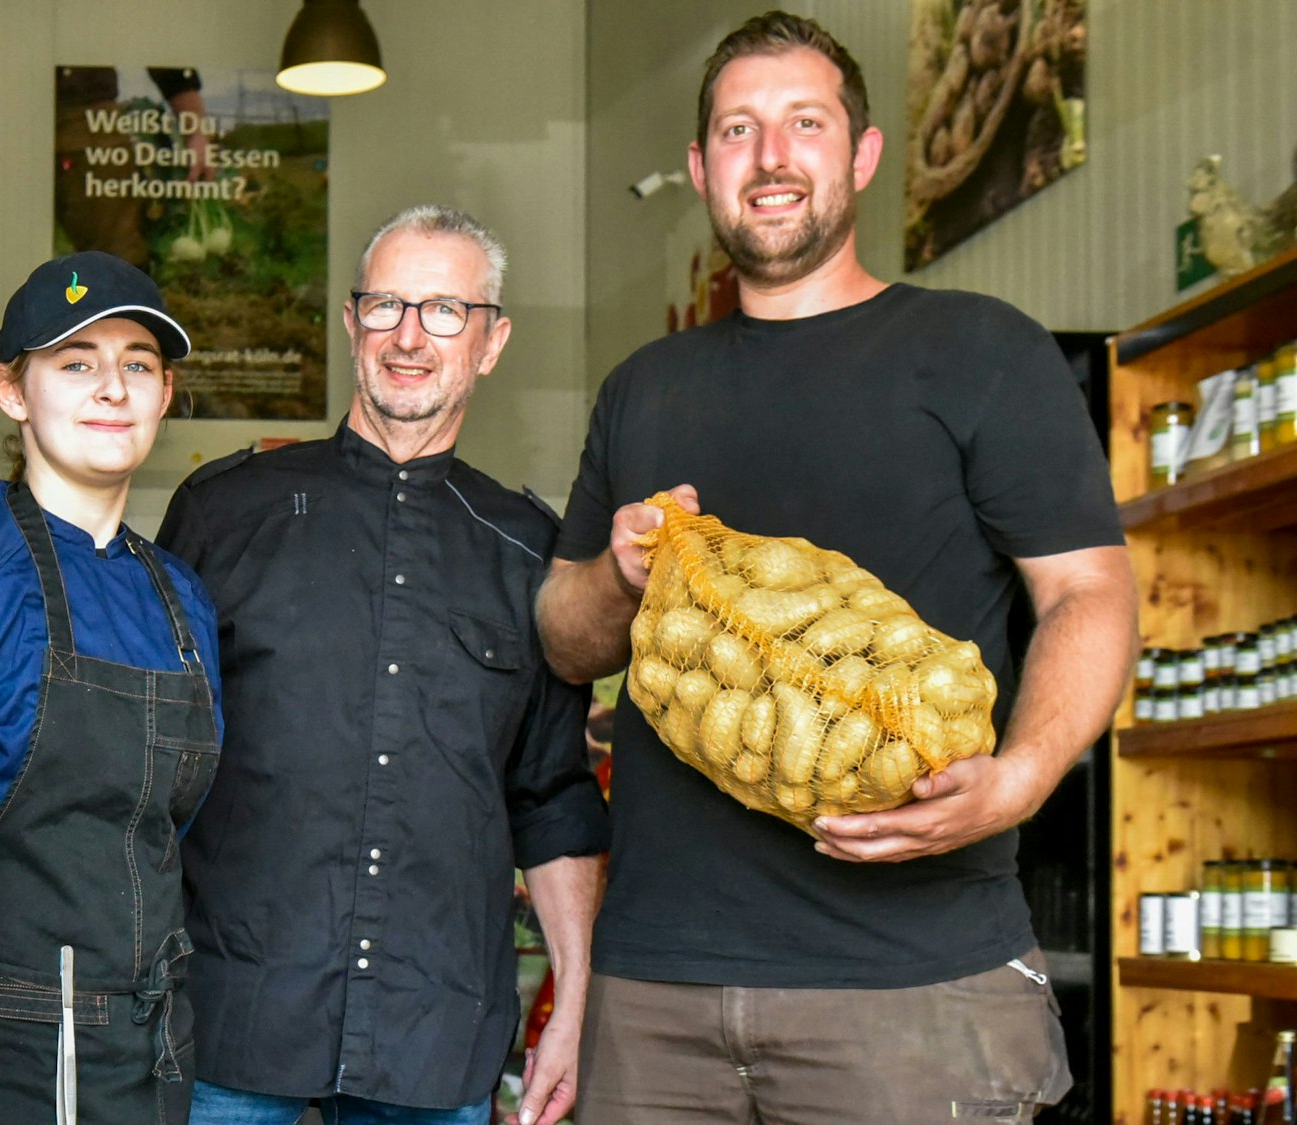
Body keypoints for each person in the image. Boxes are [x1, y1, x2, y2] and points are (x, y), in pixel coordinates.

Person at [536, 13, 1138, 1123]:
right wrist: (618, 575)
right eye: (738, 130)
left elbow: (1088, 593)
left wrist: (1018, 779)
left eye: (803, 124)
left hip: (916, 986)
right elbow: (566, 643)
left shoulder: (980, 351)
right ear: (699, 168)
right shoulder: (642, 388)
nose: (770, 157)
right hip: (658, 991)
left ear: (861, 155)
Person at [159, 205, 611, 1125]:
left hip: (434, 1036)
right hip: (233, 1022)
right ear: (350, 321)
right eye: (386, 305)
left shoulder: (531, 552)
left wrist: (575, 1001)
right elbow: (151, 763)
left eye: (445, 311)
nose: (410, 336)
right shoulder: (222, 513)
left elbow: (551, 797)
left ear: (491, 342)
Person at [0, 250, 222, 1125]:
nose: (112, 387)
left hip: (151, 1049)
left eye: (138, 365)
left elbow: (166, 825)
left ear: (164, 394)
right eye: (76, 363)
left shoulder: (182, 599)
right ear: (12, 391)